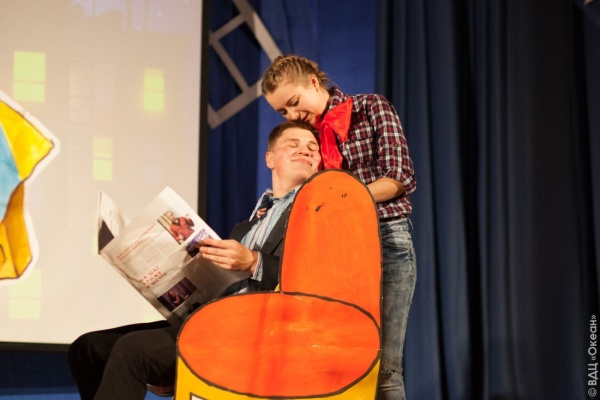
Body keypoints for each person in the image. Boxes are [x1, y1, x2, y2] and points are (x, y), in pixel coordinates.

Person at [67, 120, 321, 400]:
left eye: (313, 148)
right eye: (293, 144)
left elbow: (317, 279)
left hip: (255, 328)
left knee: (133, 350)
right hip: (211, 317)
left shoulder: (317, 212)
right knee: (88, 349)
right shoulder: (248, 224)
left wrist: (253, 261)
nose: (305, 151)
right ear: (270, 159)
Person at [261, 55, 417, 400]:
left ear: (313, 82)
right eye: (283, 112)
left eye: (294, 102)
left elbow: (399, 177)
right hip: (329, 253)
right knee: (336, 365)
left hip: (384, 241)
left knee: (384, 365)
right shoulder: (307, 139)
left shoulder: (369, 108)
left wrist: (343, 200)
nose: (292, 115)